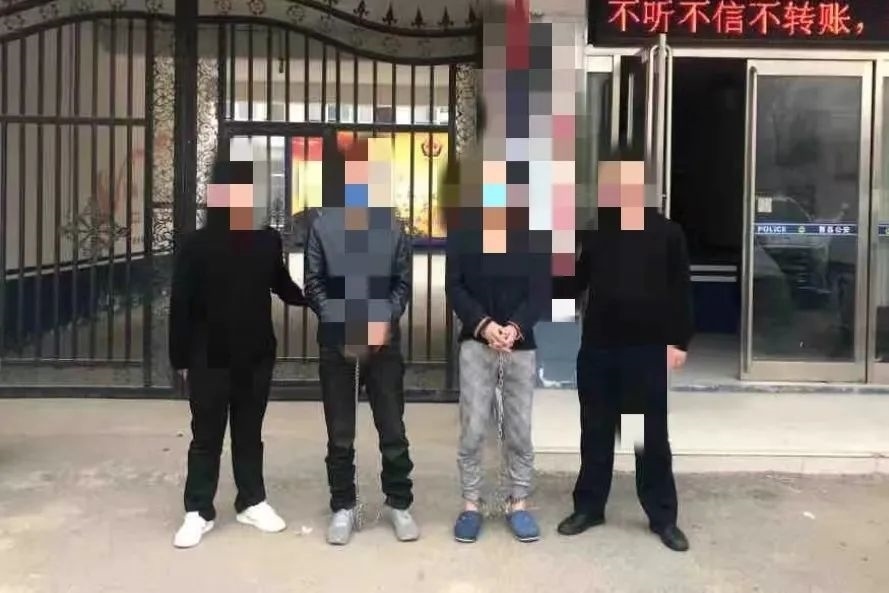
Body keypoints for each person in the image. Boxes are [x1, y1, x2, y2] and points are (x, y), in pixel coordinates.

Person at [557, 154, 694, 552]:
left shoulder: (666, 233)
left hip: (642, 355)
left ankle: (661, 515)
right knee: (596, 433)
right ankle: (589, 507)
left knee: (644, 437)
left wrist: (679, 341)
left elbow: (681, 291)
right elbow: (571, 286)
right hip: (599, 352)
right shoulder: (597, 233)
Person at [168, 158, 307, 549]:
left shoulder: (266, 241)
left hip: (255, 355)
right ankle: (198, 510)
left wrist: (322, 300)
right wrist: (180, 359)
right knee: (206, 436)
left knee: (249, 433)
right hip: (208, 357)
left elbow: (282, 285)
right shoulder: (196, 245)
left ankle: (252, 501)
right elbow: (181, 306)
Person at [304, 133, 417, 546]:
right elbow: (314, 283)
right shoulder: (323, 225)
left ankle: (399, 503)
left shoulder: (392, 226)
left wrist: (382, 319)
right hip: (338, 345)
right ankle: (343, 506)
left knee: (393, 429)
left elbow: (402, 284)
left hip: (383, 346)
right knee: (340, 433)